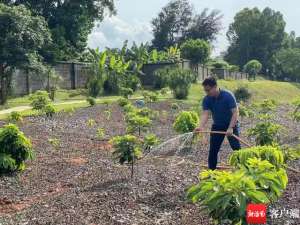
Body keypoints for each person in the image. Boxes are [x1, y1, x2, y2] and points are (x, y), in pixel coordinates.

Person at [194, 76, 241, 170]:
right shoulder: (207, 99)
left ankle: (244, 169)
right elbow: (205, 114)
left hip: (231, 125)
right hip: (217, 126)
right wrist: (200, 126)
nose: (207, 93)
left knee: (236, 149)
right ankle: (211, 172)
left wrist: (231, 127)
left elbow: (235, 112)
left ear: (215, 86)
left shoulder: (228, 96)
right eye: (205, 91)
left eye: (208, 90)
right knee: (213, 150)